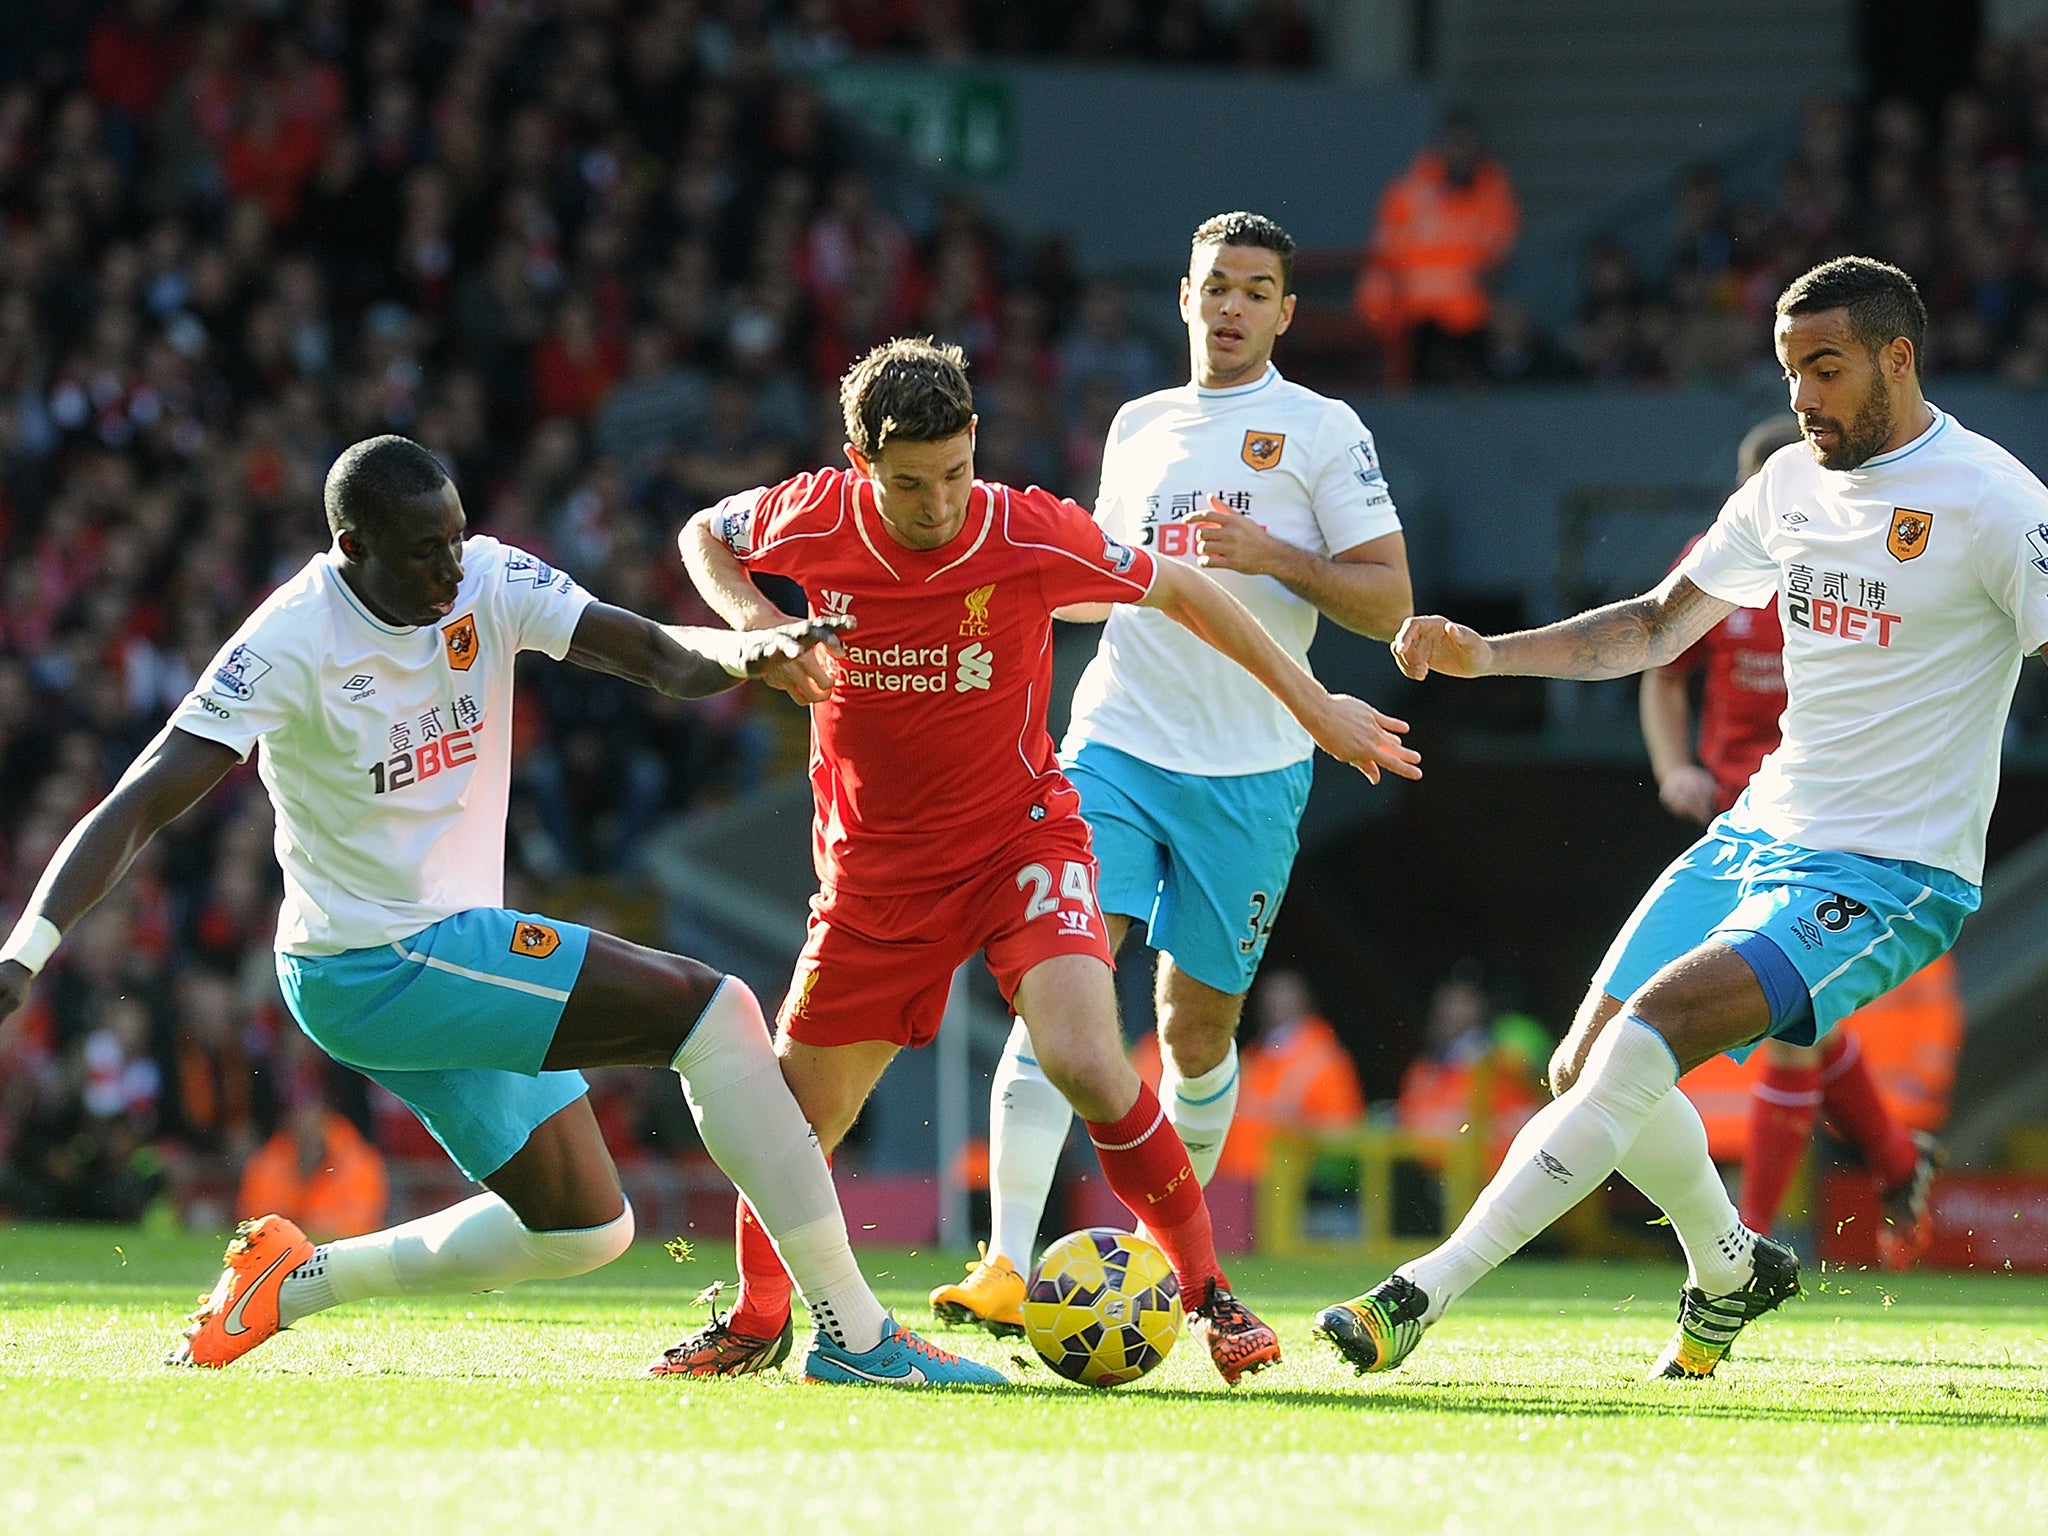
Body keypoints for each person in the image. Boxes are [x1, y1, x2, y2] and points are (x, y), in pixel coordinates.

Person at [0, 434, 1002, 1387]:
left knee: (583, 1229)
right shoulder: (288, 642)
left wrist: (747, 655)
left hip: (421, 960)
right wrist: (23, 954)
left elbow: (653, 653)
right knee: (714, 1012)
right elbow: (137, 804)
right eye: (423, 551)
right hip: (375, 962)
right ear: (351, 548)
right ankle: (853, 1333)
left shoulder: (489, 578)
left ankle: (294, 1282)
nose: (450, 566)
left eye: (457, 535)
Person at [1315, 256, 2048, 1382]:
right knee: (1582, 1064)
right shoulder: (1786, 488)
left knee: (1649, 1030)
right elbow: (1658, 628)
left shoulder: (1991, 500)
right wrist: (1487, 657)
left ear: (1896, 359)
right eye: (1787, 368)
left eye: (1825, 367)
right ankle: (1728, 1266)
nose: (1800, 395)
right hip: (1761, 828)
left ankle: (1421, 1289)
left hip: (1892, 869)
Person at [676, 336, 1420, 1385]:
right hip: (875, 875)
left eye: (951, 474)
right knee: (800, 1123)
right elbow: (704, 531)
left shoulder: (1024, 528)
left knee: (1085, 1055)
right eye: (905, 486)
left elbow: (1186, 593)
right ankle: (758, 1319)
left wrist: (1313, 704)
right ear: (855, 464)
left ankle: (1207, 1295)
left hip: (1021, 839)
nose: (935, 506)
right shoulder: (810, 517)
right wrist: (755, 621)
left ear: (974, 443)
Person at [926, 211, 1412, 1338]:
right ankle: (1002, 1258)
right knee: (1063, 978)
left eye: (1255, 289)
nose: (1231, 305)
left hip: (1252, 771)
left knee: (1192, 1031)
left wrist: (1271, 557)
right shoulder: (1139, 424)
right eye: (1214, 286)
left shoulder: (1319, 430)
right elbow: (1104, 579)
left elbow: (1387, 600)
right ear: (1186, 298)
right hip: (1115, 743)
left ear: (1285, 312)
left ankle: (1165, 1262)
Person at [1641, 413, 1946, 1265]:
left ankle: (1755, 1241)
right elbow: (1661, 675)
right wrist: (1673, 768)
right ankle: (1891, 1157)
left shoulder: (1860, 567)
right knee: (1796, 1009)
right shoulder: (1713, 565)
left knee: (1783, 1011)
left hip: (1831, 824)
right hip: (1736, 822)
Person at [1353, 113, 1521, 387]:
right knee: (1417, 389)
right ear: (1440, 147)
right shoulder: (1409, 192)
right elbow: (1386, 249)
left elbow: (1500, 241)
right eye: (1454, 144)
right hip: (1415, 313)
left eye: (1466, 145)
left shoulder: (1490, 191)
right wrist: (1380, 307)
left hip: (1470, 312)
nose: (1460, 153)